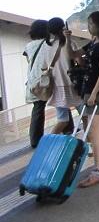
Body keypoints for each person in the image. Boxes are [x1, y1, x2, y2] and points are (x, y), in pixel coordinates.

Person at [65, 11, 99, 188]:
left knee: (93, 132)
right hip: (92, 90)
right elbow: (74, 55)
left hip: (98, 92)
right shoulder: (94, 43)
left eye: (91, 23)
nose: (89, 26)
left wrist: (93, 94)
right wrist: (68, 39)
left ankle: (97, 171)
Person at [42, 18, 81, 136]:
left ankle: (49, 141)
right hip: (72, 84)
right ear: (63, 28)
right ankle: (89, 141)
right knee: (85, 114)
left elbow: (44, 67)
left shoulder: (46, 46)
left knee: (63, 120)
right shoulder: (70, 43)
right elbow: (80, 62)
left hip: (56, 86)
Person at [23, 20, 49, 148]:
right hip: (47, 78)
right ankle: (68, 127)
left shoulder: (28, 46)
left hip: (34, 81)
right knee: (61, 101)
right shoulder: (48, 44)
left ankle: (35, 139)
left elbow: (30, 62)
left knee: (38, 109)